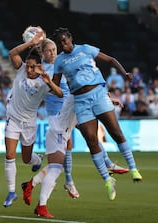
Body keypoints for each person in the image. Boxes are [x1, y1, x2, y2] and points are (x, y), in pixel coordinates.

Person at [21, 39, 129, 218]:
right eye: (49, 51)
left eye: (55, 50)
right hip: (58, 124)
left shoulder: (64, 69)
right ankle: (44, 202)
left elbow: (87, 90)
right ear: (43, 54)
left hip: (64, 122)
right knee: (60, 164)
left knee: (87, 139)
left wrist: (107, 98)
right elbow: (81, 91)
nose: (54, 53)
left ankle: (32, 186)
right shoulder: (53, 73)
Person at [51, 27, 142, 201]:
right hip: (80, 101)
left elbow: (110, 59)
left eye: (65, 40)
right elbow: (56, 87)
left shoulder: (85, 48)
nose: (63, 44)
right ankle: (108, 181)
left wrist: (124, 73)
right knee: (92, 141)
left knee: (115, 132)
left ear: (71, 38)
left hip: (99, 95)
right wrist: (48, 84)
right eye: (60, 42)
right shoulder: (59, 61)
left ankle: (133, 168)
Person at [3, 30, 63, 208]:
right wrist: (31, 43)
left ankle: (36, 160)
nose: (28, 69)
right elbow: (12, 53)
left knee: (27, 159)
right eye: (27, 66)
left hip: (29, 123)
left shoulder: (44, 82)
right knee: (9, 155)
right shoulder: (21, 69)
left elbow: (59, 94)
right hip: (13, 118)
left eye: (32, 67)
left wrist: (48, 80)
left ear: (39, 67)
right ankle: (12, 191)